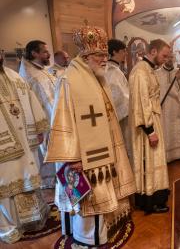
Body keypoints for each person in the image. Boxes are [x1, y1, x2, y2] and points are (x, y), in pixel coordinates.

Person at [45, 24, 136, 247]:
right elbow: (62, 121)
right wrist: (73, 157)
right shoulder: (69, 80)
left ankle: (93, 232)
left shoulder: (98, 77)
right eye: (98, 55)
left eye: (105, 54)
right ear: (85, 55)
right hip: (82, 156)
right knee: (86, 197)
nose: (104, 59)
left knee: (92, 195)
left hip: (101, 149)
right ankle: (87, 238)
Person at [0, 50, 50, 244]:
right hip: (4, 145)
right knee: (6, 184)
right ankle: (9, 227)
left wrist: (38, 127)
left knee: (28, 177)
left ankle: (33, 218)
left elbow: (31, 101)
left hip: (24, 138)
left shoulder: (15, 76)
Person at [129, 39, 171, 214]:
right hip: (146, 126)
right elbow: (141, 104)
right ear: (153, 51)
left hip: (153, 120)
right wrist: (150, 131)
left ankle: (157, 194)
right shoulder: (140, 72)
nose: (166, 59)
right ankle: (149, 201)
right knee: (149, 161)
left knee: (156, 160)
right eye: (164, 55)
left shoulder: (149, 69)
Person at [19, 40, 56, 188]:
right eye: (45, 52)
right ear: (34, 53)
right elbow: (45, 102)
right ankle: (49, 183)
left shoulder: (40, 70)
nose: (48, 54)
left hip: (53, 117)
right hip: (46, 121)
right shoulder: (32, 76)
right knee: (47, 154)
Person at [156, 52, 180, 162]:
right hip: (164, 107)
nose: (169, 59)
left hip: (176, 106)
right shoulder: (156, 73)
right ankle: (166, 154)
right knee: (165, 127)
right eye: (167, 57)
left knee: (178, 127)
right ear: (163, 58)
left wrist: (179, 79)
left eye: (171, 57)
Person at [105, 39, 131, 159]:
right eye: (123, 51)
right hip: (120, 116)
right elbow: (118, 96)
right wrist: (133, 103)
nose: (125, 53)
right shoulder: (112, 71)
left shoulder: (112, 69)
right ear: (114, 52)